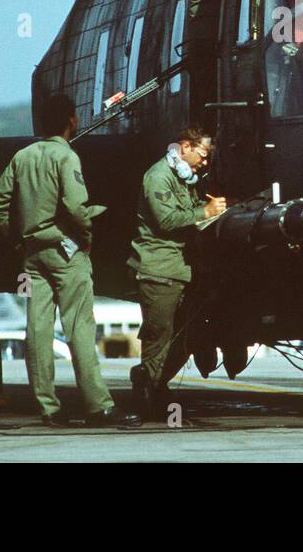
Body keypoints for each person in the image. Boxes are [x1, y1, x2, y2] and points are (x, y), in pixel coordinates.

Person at [0, 92, 140, 428]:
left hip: (32, 256)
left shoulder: (22, 156)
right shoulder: (66, 158)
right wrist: (85, 239)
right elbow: (75, 208)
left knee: (38, 330)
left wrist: (16, 240)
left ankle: (49, 408)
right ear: (73, 120)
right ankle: (97, 406)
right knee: (79, 328)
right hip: (65, 252)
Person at [128, 126, 227, 419]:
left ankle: (155, 386)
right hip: (159, 270)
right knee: (159, 335)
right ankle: (147, 394)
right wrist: (205, 213)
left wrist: (211, 207)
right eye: (204, 155)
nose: (205, 163)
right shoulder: (158, 176)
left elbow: (188, 209)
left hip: (179, 269)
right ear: (186, 146)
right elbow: (167, 219)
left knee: (183, 336)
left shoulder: (183, 178)